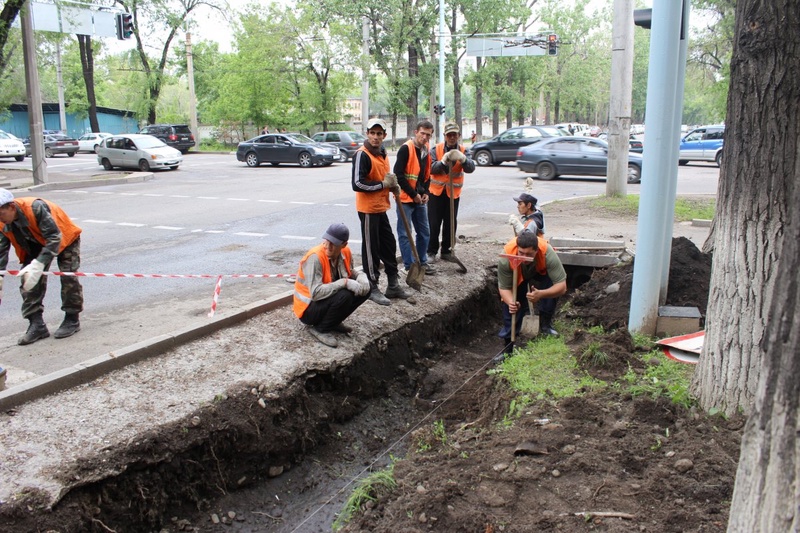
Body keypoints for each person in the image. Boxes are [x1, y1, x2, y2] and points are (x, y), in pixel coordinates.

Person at [0, 188, 83, 345]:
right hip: (34, 243)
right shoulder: (1, 223)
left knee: (68, 277)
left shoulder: (35, 208)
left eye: (0, 214)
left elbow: (54, 237)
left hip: (64, 238)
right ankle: (37, 325)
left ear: (11, 207)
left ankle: (72, 318)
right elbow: (1, 250)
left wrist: (39, 264)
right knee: (28, 281)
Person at [351, 118, 412, 305]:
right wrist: (382, 185)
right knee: (371, 249)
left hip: (381, 206)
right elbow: (357, 183)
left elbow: (384, 177)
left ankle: (393, 284)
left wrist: (392, 186)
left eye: (379, 134)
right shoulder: (362, 155)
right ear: (367, 133)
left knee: (388, 244)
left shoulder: (382, 153)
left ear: (384, 136)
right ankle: (371, 286)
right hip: (368, 210)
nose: (376, 137)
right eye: (373, 133)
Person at [293, 223, 371, 348]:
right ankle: (320, 329)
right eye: (327, 241)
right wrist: (344, 283)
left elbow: (350, 272)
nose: (328, 246)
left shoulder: (346, 251)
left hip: (323, 301)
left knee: (367, 289)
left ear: (343, 245)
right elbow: (316, 293)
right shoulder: (315, 257)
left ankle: (333, 322)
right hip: (307, 309)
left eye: (333, 243)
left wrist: (361, 276)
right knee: (345, 295)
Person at [497, 229, 567, 354]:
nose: (524, 258)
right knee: (511, 305)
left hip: (540, 271)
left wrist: (541, 294)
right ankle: (508, 347)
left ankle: (545, 325)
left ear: (536, 250)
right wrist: (511, 303)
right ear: (517, 248)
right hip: (517, 273)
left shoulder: (547, 252)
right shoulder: (506, 256)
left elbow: (562, 286)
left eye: (529, 254)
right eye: (521, 253)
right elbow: (504, 288)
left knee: (551, 284)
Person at [428, 122, 476, 262]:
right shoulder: (435, 149)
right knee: (434, 223)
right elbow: (430, 168)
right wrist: (443, 162)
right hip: (436, 193)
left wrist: (463, 159)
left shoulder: (463, 150)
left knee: (450, 223)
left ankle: (447, 251)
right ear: (445, 136)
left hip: (453, 194)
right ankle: (431, 251)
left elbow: (470, 168)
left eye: (454, 135)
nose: (452, 137)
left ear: (459, 136)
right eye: (449, 135)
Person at [394, 120, 435, 275]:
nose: (424, 137)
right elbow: (398, 175)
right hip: (405, 198)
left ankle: (421, 262)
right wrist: (414, 195)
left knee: (424, 232)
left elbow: (427, 175)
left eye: (428, 135)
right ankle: (409, 266)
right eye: (422, 133)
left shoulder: (426, 151)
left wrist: (426, 193)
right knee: (405, 233)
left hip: (419, 198)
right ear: (416, 132)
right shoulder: (406, 149)